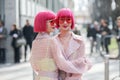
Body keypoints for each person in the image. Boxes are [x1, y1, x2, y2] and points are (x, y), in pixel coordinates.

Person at [30, 10, 89, 80]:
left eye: (68, 20)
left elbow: (33, 64)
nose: (54, 24)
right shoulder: (52, 41)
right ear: (43, 23)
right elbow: (62, 64)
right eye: (51, 22)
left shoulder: (35, 42)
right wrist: (85, 65)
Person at [54, 8, 92, 80]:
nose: (65, 22)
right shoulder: (52, 41)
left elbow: (80, 66)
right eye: (62, 19)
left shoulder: (79, 41)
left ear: (72, 22)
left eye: (68, 19)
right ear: (58, 21)